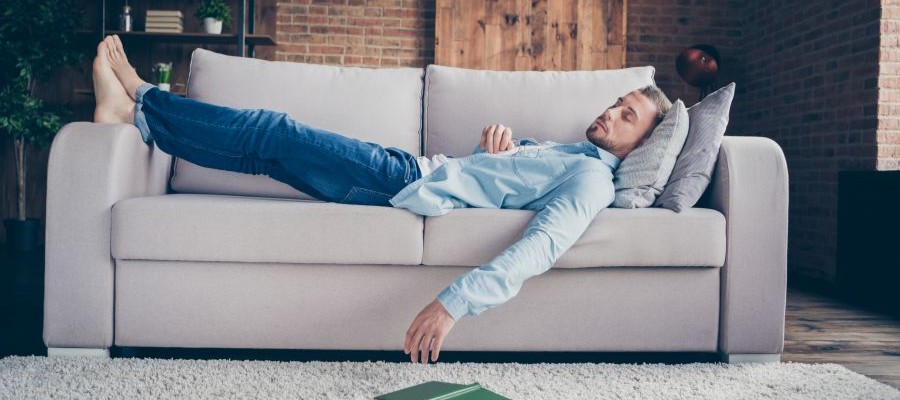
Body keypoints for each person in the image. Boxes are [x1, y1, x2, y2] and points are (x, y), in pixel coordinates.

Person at [92, 35, 672, 365]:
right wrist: (495, 152)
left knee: (274, 131)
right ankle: (140, 121)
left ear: (643, 145)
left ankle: (142, 97)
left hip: (401, 181)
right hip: (413, 170)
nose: (610, 113)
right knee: (266, 154)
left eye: (627, 117)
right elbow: (491, 186)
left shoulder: (594, 181)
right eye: (616, 102)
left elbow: (541, 246)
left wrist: (452, 304)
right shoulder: (577, 154)